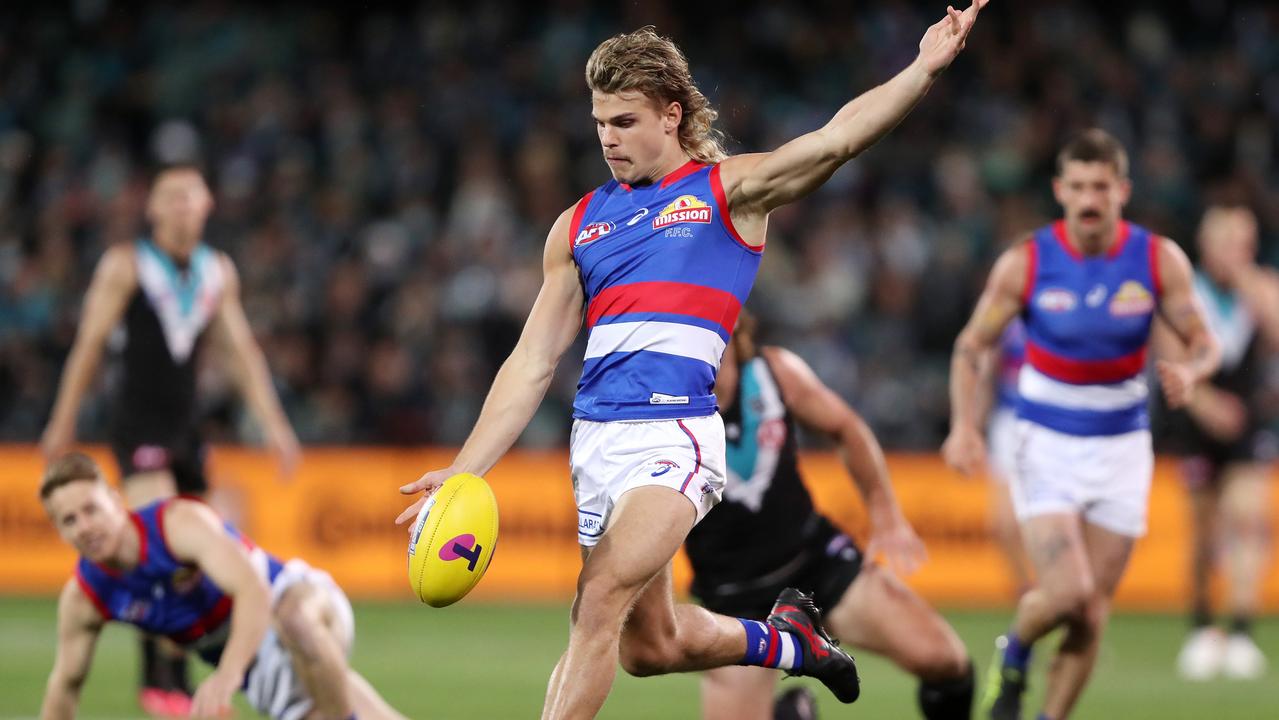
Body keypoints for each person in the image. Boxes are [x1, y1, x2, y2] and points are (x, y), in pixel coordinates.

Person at [396, 5, 989, 718]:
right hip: (596, 445)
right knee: (650, 648)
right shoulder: (578, 224)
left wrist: (922, 68)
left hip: (673, 433)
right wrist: (465, 469)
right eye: (599, 123)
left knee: (596, 603)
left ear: (671, 115)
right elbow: (531, 362)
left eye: (625, 121)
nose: (607, 140)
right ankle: (789, 642)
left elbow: (835, 142)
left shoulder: (726, 193)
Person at [941, 128, 1221, 720]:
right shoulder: (1028, 262)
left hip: (1122, 444)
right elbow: (971, 346)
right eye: (1079, 187)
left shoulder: (1157, 258)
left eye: (1102, 187)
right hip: (1046, 441)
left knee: (1092, 612)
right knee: (1067, 593)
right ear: (1060, 191)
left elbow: (1204, 340)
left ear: (1122, 190)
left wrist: (1193, 372)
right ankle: (1014, 651)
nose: (1091, 199)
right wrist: (963, 425)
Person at [39, 162, 301, 716]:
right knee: (155, 535)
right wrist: (63, 420)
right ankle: (162, 678)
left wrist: (275, 425)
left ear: (208, 204)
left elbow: (241, 352)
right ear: (153, 209)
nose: (183, 207)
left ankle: (200, 667)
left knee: (193, 555)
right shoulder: (128, 265)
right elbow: (89, 343)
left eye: (191, 196)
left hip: (187, 430)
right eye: (171, 197)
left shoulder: (216, 271)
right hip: (138, 425)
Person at [687, 311, 974, 720]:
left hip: (815, 566)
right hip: (734, 599)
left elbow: (846, 427)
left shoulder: (775, 373)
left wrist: (886, 513)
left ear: (734, 326)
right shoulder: (665, 405)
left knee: (945, 661)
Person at [38, 451, 404, 720]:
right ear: (60, 531)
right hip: (259, 667)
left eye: (91, 509)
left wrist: (227, 675)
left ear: (117, 503)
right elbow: (66, 683)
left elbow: (254, 590)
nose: (84, 526)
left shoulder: (177, 524)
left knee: (296, 620)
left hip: (290, 596)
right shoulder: (85, 597)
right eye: (69, 520)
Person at [1157, 206, 1279, 680]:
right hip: (1197, 424)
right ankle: (1203, 629)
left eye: (1244, 243)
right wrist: (1206, 405)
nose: (1237, 253)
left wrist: (1249, 281)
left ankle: (1243, 633)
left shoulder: (1261, 288)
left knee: (1249, 521)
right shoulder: (1187, 296)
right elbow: (1169, 356)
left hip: (1249, 424)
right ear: (1207, 246)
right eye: (1228, 243)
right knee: (1203, 534)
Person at [979, 319, 1033, 596]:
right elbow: (986, 373)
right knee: (1004, 523)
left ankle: (1053, 591)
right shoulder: (1005, 321)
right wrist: (972, 427)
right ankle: (1026, 590)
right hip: (1009, 424)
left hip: (1052, 424)